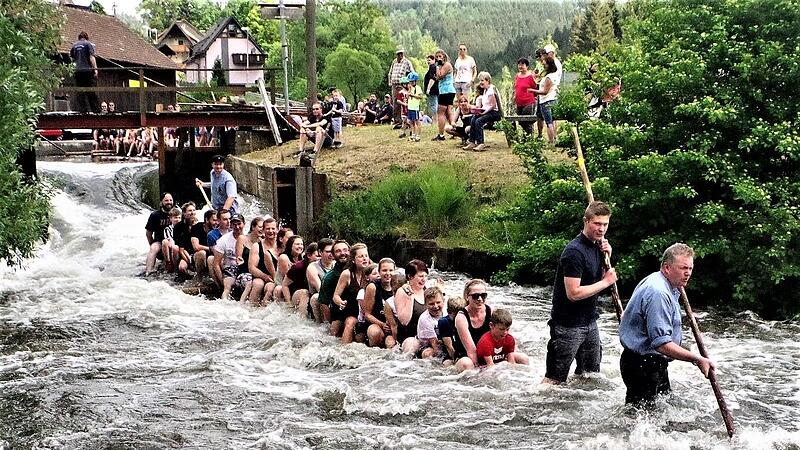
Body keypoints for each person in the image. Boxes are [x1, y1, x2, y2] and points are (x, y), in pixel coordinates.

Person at [619, 243, 714, 405]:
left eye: (690, 268)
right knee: (641, 421)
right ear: (667, 268)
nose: (688, 273)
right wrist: (697, 359)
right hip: (643, 364)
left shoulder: (664, 282)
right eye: (683, 268)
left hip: (650, 362)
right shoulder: (658, 292)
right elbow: (661, 344)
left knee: (656, 414)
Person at [542, 201, 618, 385]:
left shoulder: (598, 246)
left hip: (590, 321)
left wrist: (608, 255)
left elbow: (593, 279)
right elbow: (573, 293)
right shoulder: (574, 252)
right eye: (597, 223)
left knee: (590, 376)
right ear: (586, 221)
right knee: (554, 380)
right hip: (567, 325)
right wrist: (606, 282)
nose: (601, 229)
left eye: (605, 224)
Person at [331, 243, 371, 344]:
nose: (364, 259)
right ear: (353, 260)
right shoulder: (347, 274)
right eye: (361, 256)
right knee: (350, 322)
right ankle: (344, 351)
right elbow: (336, 296)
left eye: (366, 256)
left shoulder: (374, 272)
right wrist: (340, 302)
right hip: (351, 311)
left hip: (369, 312)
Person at [453, 279, 492, 372]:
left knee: (522, 358)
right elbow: (471, 351)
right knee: (467, 363)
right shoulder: (461, 317)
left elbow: (505, 335)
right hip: (466, 355)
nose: (480, 299)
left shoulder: (491, 312)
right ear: (467, 297)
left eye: (483, 295)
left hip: (487, 354)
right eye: (475, 296)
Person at [391, 260, 428, 349]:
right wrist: (410, 298)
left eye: (425, 276)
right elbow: (404, 321)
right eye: (420, 276)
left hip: (426, 335)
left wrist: (441, 293)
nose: (424, 279)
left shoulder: (427, 291)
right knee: (412, 345)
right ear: (410, 276)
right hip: (409, 338)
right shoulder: (402, 292)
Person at [361, 258, 396, 348]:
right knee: (374, 332)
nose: (388, 273)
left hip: (394, 325)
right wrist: (382, 324)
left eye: (391, 270)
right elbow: (367, 314)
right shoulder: (372, 287)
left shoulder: (399, 286)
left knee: (391, 344)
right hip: (376, 324)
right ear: (379, 272)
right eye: (384, 270)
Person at [464, 71, 501, 152]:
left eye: (482, 80)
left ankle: (481, 143)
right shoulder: (485, 90)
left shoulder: (491, 90)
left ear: (487, 80)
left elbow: (493, 105)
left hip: (495, 112)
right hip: (487, 111)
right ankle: (472, 141)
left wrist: (483, 112)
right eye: (480, 80)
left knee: (479, 121)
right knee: (474, 118)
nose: (480, 82)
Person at [405, 286, 446, 358]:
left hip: (443, 341)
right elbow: (435, 345)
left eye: (438, 302)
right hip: (426, 345)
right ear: (425, 305)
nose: (436, 306)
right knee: (428, 354)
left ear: (443, 301)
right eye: (431, 304)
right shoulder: (425, 319)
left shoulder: (447, 312)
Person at [212, 212, 245, 301]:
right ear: (231, 225)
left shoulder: (249, 238)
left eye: (239, 224)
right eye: (234, 225)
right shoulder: (224, 240)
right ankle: (224, 303)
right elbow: (216, 263)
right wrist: (222, 281)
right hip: (229, 269)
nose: (237, 227)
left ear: (244, 224)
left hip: (245, 268)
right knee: (227, 288)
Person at [316, 240, 351, 324]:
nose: (342, 253)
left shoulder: (361, 270)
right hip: (339, 313)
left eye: (345, 250)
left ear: (350, 252)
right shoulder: (329, 277)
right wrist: (331, 322)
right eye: (338, 251)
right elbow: (324, 304)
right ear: (333, 255)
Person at [283, 242, 319, 318]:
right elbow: (285, 284)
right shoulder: (298, 267)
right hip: (297, 295)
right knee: (304, 292)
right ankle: (303, 319)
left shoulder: (324, 266)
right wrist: (289, 303)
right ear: (309, 255)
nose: (320, 259)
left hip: (312, 295)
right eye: (317, 256)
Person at [248, 216, 279, 305]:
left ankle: (265, 309)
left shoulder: (281, 245)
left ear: (277, 230)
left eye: (273, 228)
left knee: (270, 288)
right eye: (268, 229)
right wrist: (265, 276)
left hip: (277, 276)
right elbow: (252, 268)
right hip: (260, 276)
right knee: (258, 284)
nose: (271, 231)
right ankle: (252, 308)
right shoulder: (257, 246)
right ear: (263, 230)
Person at [143, 192, 174, 276]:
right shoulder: (155, 215)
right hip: (160, 241)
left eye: (171, 200)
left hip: (174, 240)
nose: (169, 202)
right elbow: (148, 233)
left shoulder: (176, 213)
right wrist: (151, 243)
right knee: (153, 248)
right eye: (166, 200)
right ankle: (148, 271)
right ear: (161, 202)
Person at [70, 31, 100, 113]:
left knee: (80, 91)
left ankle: (83, 110)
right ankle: (96, 110)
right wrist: (95, 69)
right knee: (90, 90)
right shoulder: (88, 44)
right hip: (87, 70)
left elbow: (72, 58)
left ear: (79, 37)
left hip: (77, 71)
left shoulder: (74, 46)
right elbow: (91, 57)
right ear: (86, 37)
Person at [234, 217, 263, 302]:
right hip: (243, 273)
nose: (263, 229)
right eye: (260, 227)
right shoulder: (242, 238)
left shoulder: (262, 242)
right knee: (249, 282)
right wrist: (239, 260)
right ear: (253, 227)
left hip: (257, 273)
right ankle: (242, 304)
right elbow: (238, 257)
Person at [307, 238, 336, 323]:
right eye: (328, 252)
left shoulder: (336, 264)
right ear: (320, 252)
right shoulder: (312, 267)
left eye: (332, 251)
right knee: (316, 297)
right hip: (319, 301)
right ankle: (321, 324)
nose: (331, 254)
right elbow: (321, 289)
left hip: (335, 298)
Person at [532, 57, 559, 145]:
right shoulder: (553, 75)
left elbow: (544, 92)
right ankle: (554, 139)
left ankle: (551, 142)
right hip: (553, 99)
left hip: (546, 101)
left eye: (545, 64)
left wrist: (532, 91)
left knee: (549, 122)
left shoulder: (549, 77)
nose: (544, 65)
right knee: (553, 120)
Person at [432, 49, 456, 141]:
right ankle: (454, 131)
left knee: (441, 112)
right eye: (437, 57)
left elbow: (439, 76)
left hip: (446, 91)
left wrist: (437, 67)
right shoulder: (443, 66)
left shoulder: (446, 65)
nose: (438, 58)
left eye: (440, 56)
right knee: (449, 111)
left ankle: (441, 134)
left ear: (444, 57)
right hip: (447, 91)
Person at [387, 48, 414, 127]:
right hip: (394, 84)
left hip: (402, 84)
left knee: (403, 101)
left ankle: (406, 121)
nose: (400, 55)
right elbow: (390, 72)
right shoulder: (394, 61)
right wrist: (389, 81)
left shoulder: (407, 62)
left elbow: (412, 72)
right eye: (398, 54)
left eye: (401, 53)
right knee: (396, 102)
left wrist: (408, 82)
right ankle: (397, 121)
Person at [274, 235, 304, 302]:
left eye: (301, 244)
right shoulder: (283, 257)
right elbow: (288, 277)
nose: (300, 246)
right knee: (279, 289)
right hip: (284, 285)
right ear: (290, 245)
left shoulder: (303, 258)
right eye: (297, 244)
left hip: (296, 285)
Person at [438, 295, 467, 365]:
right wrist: (456, 359)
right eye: (455, 314)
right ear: (448, 312)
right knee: (447, 364)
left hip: (463, 350)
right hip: (449, 353)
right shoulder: (444, 322)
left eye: (460, 314)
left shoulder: (465, 319)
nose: (458, 317)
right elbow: (449, 347)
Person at [207, 209, 232, 288]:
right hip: (220, 258)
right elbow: (215, 252)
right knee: (211, 259)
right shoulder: (212, 234)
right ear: (218, 221)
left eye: (229, 219)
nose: (228, 221)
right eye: (225, 219)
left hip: (233, 258)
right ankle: (221, 285)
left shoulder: (234, 231)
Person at [513, 57, 538, 135]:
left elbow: (535, 88)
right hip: (519, 103)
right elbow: (516, 88)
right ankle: (525, 138)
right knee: (520, 122)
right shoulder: (517, 76)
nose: (520, 66)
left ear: (526, 66)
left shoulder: (530, 77)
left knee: (526, 121)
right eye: (519, 64)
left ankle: (529, 139)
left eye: (522, 64)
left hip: (529, 103)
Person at [173, 201, 198, 277]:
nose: (192, 212)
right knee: (182, 268)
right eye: (190, 211)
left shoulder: (200, 225)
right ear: (184, 213)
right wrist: (189, 264)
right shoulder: (178, 227)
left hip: (197, 252)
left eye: (194, 210)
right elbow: (181, 249)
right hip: (185, 252)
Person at [190, 209, 217, 277]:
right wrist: (211, 249)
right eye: (214, 220)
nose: (217, 223)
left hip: (213, 255)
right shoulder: (197, 227)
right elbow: (196, 247)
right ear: (207, 220)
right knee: (201, 253)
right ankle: (200, 278)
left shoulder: (218, 229)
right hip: (197, 256)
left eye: (217, 220)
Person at [161, 207, 182, 273]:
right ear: (170, 218)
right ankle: (168, 262)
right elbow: (170, 240)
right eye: (175, 218)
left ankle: (176, 268)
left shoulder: (183, 228)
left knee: (176, 247)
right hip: (172, 246)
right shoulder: (168, 229)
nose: (177, 220)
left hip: (181, 247)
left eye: (179, 218)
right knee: (165, 242)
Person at [405, 73, 423, 142]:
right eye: (410, 81)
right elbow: (407, 96)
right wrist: (409, 91)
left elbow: (420, 97)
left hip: (415, 107)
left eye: (412, 81)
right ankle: (413, 134)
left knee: (417, 121)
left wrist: (413, 95)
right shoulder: (410, 88)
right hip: (410, 107)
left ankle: (418, 135)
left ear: (415, 81)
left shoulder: (418, 88)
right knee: (411, 122)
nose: (411, 83)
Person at [423, 54, 439, 119]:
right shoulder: (435, 67)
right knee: (434, 104)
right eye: (427, 60)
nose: (428, 62)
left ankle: (434, 120)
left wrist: (428, 89)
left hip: (433, 90)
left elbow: (432, 79)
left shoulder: (432, 67)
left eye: (429, 60)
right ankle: (435, 119)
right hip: (435, 90)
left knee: (433, 105)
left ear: (434, 60)